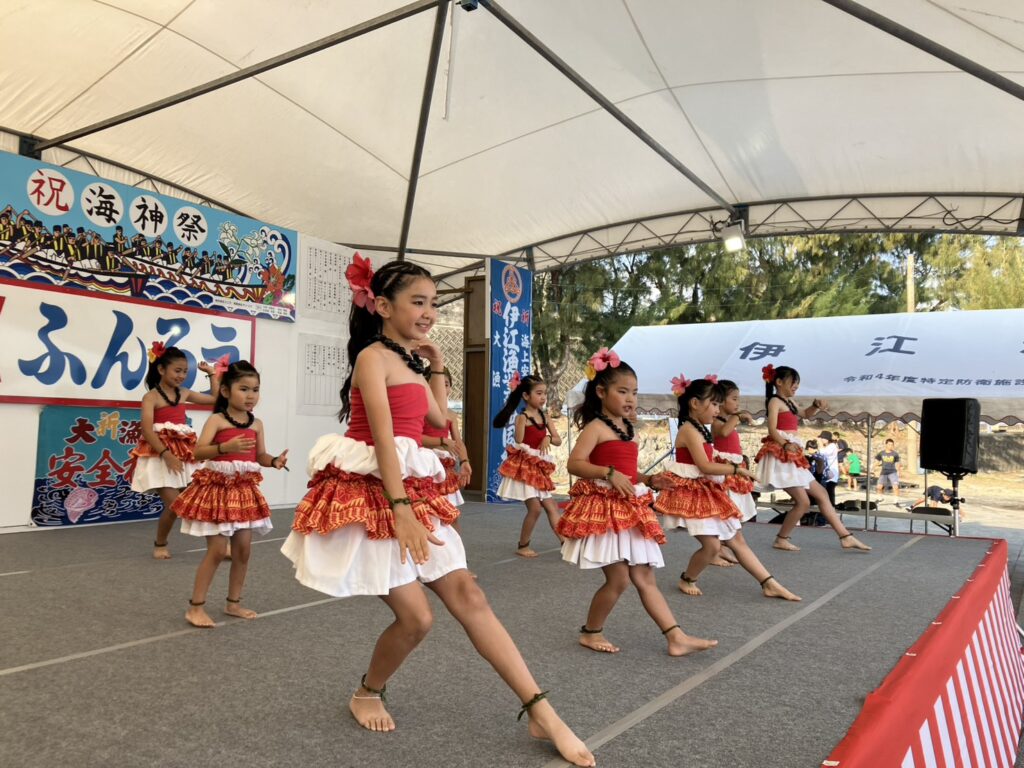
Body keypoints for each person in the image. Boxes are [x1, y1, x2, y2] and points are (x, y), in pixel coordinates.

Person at [279, 258, 594, 766]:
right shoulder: (372, 358)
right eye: (418, 302)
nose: (428, 312)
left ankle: (542, 711)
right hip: (373, 492)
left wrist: (438, 363)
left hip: (412, 488)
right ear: (384, 307)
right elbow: (384, 439)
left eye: (433, 303)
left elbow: (439, 421)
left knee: (470, 594)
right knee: (417, 619)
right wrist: (401, 508)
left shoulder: (409, 361)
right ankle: (367, 691)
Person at [556, 352, 718, 655]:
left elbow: (629, 473)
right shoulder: (596, 427)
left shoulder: (628, 430)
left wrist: (651, 479)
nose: (630, 398)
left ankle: (676, 637)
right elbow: (574, 464)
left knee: (644, 576)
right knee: (618, 580)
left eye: (634, 392)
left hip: (631, 508)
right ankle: (591, 632)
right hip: (605, 509)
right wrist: (608, 473)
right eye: (622, 391)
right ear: (601, 392)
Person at [656, 376, 800, 601]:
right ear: (695, 403)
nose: (717, 409)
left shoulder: (700, 429)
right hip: (694, 492)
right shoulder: (688, 430)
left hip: (707, 489)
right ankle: (687, 578)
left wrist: (732, 466)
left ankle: (769, 583)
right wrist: (737, 470)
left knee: (736, 540)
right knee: (712, 546)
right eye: (714, 403)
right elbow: (704, 465)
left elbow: (709, 458)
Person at [172, 361, 287, 628]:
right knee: (216, 550)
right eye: (243, 389)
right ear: (225, 391)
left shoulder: (256, 424)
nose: (251, 396)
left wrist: (274, 461)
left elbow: (259, 455)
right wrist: (225, 447)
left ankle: (233, 603)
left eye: (255, 390)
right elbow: (198, 452)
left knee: (243, 551)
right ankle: (195, 608)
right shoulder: (217, 420)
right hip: (217, 490)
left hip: (243, 492)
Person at [755, 364, 871, 553]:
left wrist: (815, 406)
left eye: (797, 383)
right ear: (779, 382)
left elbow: (805, 414)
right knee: (803, 502)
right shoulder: (775, 402)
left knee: (822, 494)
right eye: (793, 382)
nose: (796, 386)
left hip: (792, 455)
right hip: (782, 456)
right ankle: (781, 539)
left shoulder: (790, 402)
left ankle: (845, 536)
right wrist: (785, 444)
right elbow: (772, 429)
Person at [129, 343, 220, 560]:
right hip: (159, 456)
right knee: (174, 505)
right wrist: (167, 455)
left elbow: (217, 400)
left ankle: (217, 546)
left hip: (184, 454)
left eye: (185, 372)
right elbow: (147, 430)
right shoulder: (151, 397)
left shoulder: (184, 392)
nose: (181, 376)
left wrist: (212, 374)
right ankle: (160, 544)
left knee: (200, 498)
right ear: (161, 369)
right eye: (177, 370)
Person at [492, 372, 564, 557]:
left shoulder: (545, 417)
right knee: (535, 508)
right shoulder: (522, 417)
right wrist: (520, 423)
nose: (543, 397)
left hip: (539, 466)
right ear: (526, 395)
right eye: (538, 393)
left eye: (544, 393)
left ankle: (566, 543)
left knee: (551, 506)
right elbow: (519, 440)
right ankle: (523, 545)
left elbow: (558, 440)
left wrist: (548, 438)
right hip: (525, 466)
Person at [711, 378, 757, 564]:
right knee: (725, 512)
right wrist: (737, 416)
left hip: (734, 470)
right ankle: (716, 550)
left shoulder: (727, 421)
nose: (738, 403)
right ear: (721, 401)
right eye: (734, 399)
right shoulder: (716, 422)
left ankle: (722, 546)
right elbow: (723, 433)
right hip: (724, 472)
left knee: (736, 510)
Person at [421, 367, 471, 528]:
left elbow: (458, 442)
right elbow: (415, 438)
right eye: (437, 384)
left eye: (446, 384)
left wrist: (464, 461)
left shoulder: (451, 415)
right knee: (427, 514)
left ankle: (454, 545)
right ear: (426, 385)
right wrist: (441, 441)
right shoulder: (420, 409)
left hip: (445, 468)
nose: (442, 388)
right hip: (425, 466)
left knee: (452, 516)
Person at [816, 431, 840, 509]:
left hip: (831, 472)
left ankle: (831, 507)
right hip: (826, 473)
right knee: (826, 491)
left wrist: (820, 444)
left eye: (822, 438)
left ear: (826, 439)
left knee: (830, 490)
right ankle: (827, 507)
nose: (821, 440)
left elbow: (823, 453)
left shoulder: (832, 446)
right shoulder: (827, 446)